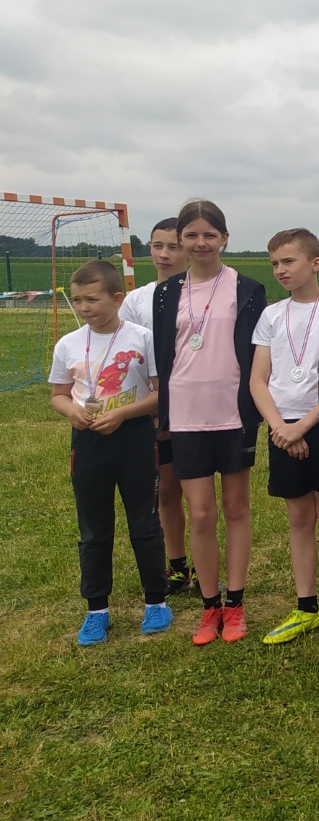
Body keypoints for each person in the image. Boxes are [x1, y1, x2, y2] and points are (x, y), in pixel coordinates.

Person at [153, 199, 266, 646]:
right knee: (199, 513)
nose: (201, 243)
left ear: (224, 238)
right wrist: (163, 416)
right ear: (181, 239)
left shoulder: (248, 288)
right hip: (185, 415)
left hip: (233, 414)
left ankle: (235, 604)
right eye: (192, 235)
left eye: (209, 234)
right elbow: (165, 354)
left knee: (236, 509)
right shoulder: (167, 292)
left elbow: (257, 356)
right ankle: (209, 606)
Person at [50, 260, 169, 645]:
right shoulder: (68, 344)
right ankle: (96, 609)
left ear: (117, 298)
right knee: (94, 529)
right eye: (78, 300)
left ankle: (156, 601)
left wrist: (123, 414)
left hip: (135, 439)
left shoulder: (143, 338)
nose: (84, 307)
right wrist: (73, 412)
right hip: (88, 443)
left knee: (145, 524)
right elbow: (59, 395)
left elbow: (160, 394)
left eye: (92, 299)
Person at [250, 229, 319, 647]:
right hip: (282, 428)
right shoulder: (271, 316)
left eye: (288, 261)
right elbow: (258, 380)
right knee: (298, 517)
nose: (280, 270)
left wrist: (302, 427)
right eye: (275, 263)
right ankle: (306, 607)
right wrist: (280, 427)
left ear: (315, 263)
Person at [120, 217, 190, 594]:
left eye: (173, 246)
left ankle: (210, 567)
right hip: (156, 408)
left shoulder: (202, 293)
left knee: (199, 493)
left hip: (196, 405)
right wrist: (150, 405)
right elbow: (129, 355)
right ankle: (177, 565)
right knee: (166, 490)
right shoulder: (136, 300)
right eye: (157, 245)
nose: (164, 254)